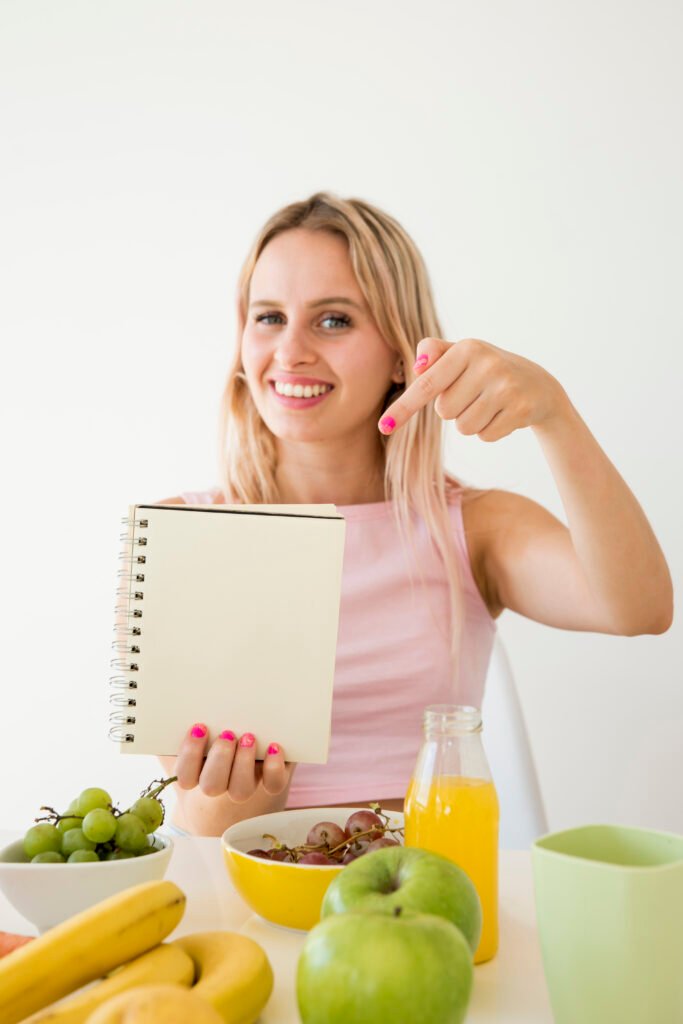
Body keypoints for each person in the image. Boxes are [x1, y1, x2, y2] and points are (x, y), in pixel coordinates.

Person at [157, 191, 673, 837]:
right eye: (267, 317)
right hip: (234, 886)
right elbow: (195, 813)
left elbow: (637, 608)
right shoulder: (182, 536)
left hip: (414, 892)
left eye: (333, 320)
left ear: (403, 353)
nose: (288, 352)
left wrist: (554, 415)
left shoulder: (475, 527)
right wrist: (230, 807)